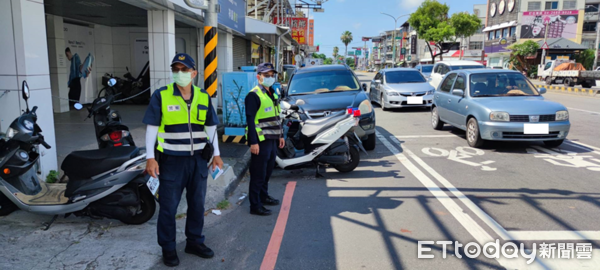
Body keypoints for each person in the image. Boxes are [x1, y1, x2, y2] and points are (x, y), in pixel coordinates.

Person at [143, 53, 223, 267]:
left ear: (194, 73)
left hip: (198, 160)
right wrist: (150, 158)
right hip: (171, 161)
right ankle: (168, 248)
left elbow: (211, 128)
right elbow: (151, 129)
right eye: (176, 69)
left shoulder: (203, 96)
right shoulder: (162, 95)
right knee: (169, 207)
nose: (180, 73)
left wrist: (216, 154)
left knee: (197, 204)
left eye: (184, 69)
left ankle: (194, 242)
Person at [245, 63, 285, 216]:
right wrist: (253, 142)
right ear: (258, 77)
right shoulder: (253, 95)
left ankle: (264, 196)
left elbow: (277, 117)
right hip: (261, 141)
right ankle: (255, 205)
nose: (269, 77)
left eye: (271, 75)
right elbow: (250, 120)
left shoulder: (272, 93)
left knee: (267, 171)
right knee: (258, 173)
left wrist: (281, 135)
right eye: (266, 75)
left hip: (272, 139)